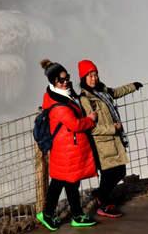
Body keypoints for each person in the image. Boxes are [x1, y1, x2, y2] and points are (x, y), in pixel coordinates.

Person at [36, 59, 99, 231]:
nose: (66, 82)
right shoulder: (59, 106)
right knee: (64, 183)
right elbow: (76, 125)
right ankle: (54, 215)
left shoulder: (59, 94)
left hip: (66, 149)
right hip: (66, 150)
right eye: (61, 80)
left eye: (67, 78)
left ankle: (71, 215)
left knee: (68, 182)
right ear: (53, 82)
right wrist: (91, 120)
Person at [77, 59, 143, 218]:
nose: (94, 78)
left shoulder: (102, 90)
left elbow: (116, 92)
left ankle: (101, 196)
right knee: (111, 173)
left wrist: (133, 86)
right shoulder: (85, 99)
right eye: (90, 75)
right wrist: (113, 128)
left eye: (95, 74)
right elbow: (90, 127)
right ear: (83, 78)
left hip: (113, 141)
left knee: (119, 171)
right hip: (102, 144)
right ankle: (103, 202)